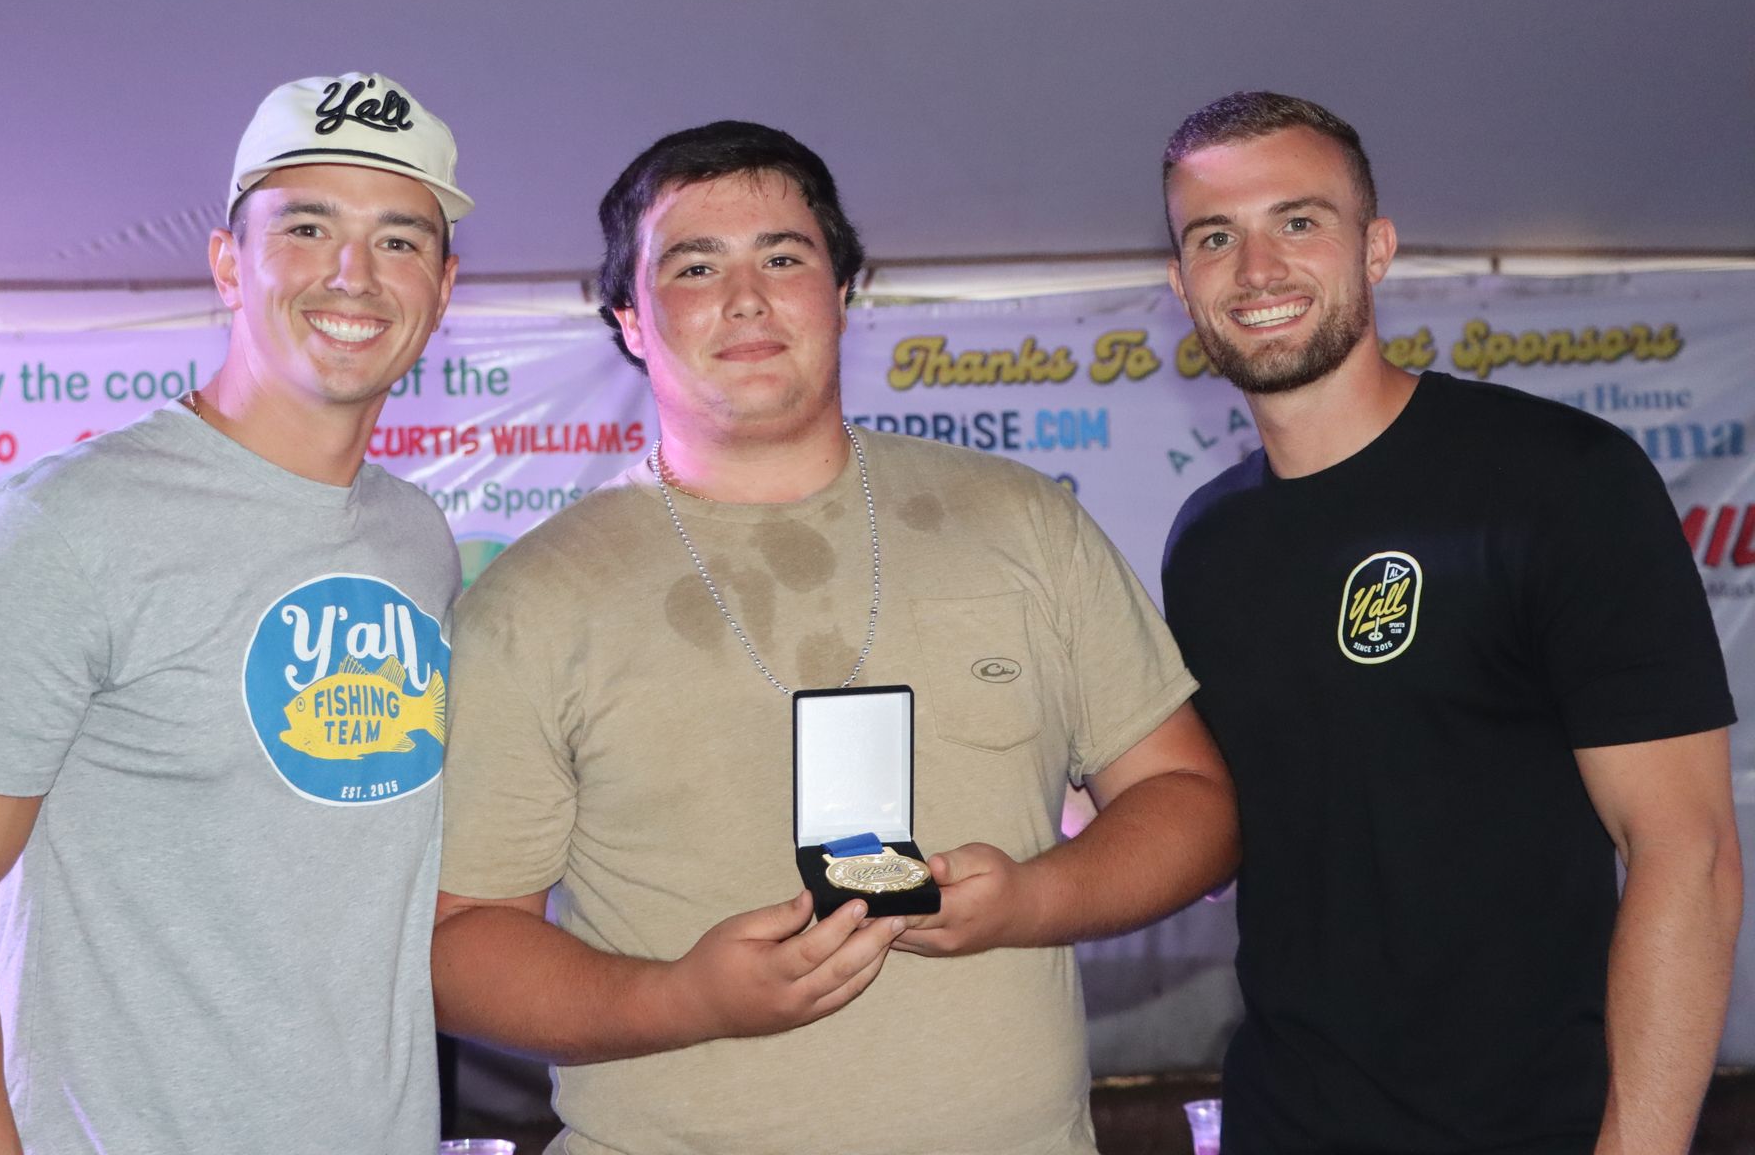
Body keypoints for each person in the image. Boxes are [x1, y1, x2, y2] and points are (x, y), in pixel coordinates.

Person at [431, 119, 1239, 1154]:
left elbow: (1192, 803)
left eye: (784, 257)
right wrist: (684, 997)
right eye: (694, 266)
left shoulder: (1023, 522)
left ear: (843, 291)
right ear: (630, 317)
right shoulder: (534, 599)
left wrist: (1034, 897)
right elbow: (460, 940)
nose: (747, 296)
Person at [0, 72, 470, 1153]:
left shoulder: (414, 538)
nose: (354, 273)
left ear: (444, 283)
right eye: (308, 227)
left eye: (399, 239)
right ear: (229, 264)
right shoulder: (57, 526)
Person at [1157, 91, 1742, 1153]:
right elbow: (1245, 822)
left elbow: (1686, 852)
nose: (1257, 268)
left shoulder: (1559, 479)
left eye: (1298, 221)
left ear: (1376, 248)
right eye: (1214, 236)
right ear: (1179, 282)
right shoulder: (1207, 542)